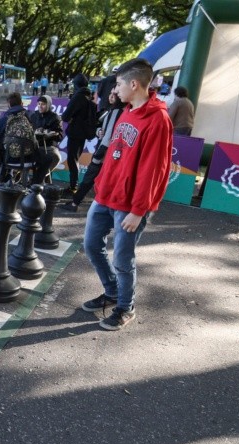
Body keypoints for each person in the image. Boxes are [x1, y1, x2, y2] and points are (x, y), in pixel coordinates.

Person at [80, 58, 172, 331]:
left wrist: (139, 209)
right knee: (91, 245)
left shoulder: (158, 120)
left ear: (134, 84)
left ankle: (125, 306)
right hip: (106, 196)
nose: (115, 88)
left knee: (122, 258)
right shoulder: (127, 111)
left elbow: (154, 170)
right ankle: (112, 292)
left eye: (119, 83)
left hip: (130, 205)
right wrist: (101, 187)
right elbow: (115, 153)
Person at [60, 91, 126, 212]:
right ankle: (77, 201)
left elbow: (109, 135)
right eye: (110, 93)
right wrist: (99, 131)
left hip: (104, 152)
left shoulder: (116, 111)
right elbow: (103, 130)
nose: (110, 96)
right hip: (110, 152)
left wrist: (100, 152)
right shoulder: (113, 111)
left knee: (89, 178)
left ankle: (75, 203)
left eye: (114, 94)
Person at [61, 73, 96, 194]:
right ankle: (74, 185)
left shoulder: (78, 96)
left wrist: (70, 118)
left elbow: (65, 116)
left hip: (75, 132)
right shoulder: (88, 95)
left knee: (72, 159)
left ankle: (73, 186)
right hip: (83, 133)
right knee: (75, 158)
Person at [29, 95, 63, 184]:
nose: (40, 106)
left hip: (48, 146)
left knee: (56, 157)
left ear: (48, 105)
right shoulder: (33, 115)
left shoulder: (55, 117)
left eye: (43, 104)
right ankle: (36, 179)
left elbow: (60, 136)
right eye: (39, 103)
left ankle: (38, 178)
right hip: (34, 146)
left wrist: (49, 134)